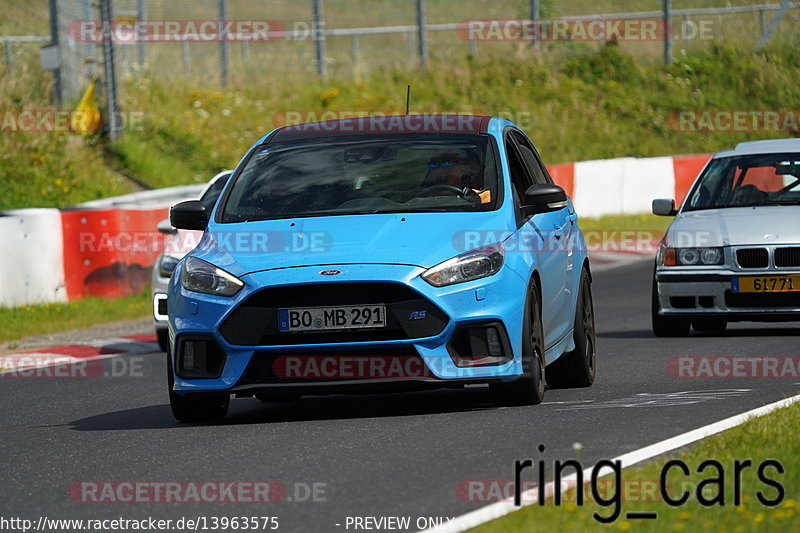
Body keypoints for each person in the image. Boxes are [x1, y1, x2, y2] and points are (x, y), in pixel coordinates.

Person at [423, 149, 492, 204]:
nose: (440, 168)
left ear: (465, 167)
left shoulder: (486, 198)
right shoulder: (419, 198)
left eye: (447, 163)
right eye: (434, 164)